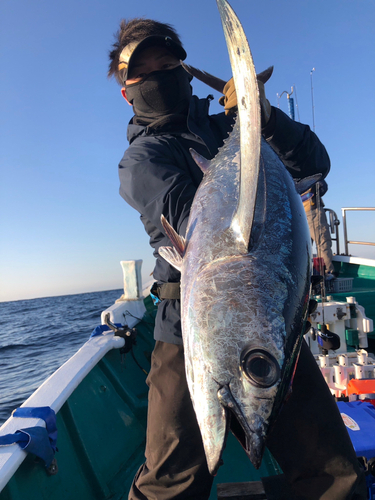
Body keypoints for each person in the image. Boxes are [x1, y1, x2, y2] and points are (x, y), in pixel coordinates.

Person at [108, 19, 366, 500]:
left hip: (266, 325)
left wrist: (262, 117)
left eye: (168, 64)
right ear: (127, 92)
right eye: (144, 72)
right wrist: (247, 141)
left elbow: (314, 163)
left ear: (185, 71)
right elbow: (196, 227)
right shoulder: (143, 157)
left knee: (332, 470)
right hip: (186, 329)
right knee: (173, 481)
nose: (160, 75)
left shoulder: (235, 129)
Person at [302, 180, 336, 277]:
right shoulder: (308, 168)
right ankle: (327, 274)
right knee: (323, 243)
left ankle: (304, 276)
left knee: (304, 247)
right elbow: (322, 186)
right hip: (312, 210)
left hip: (298, 212)